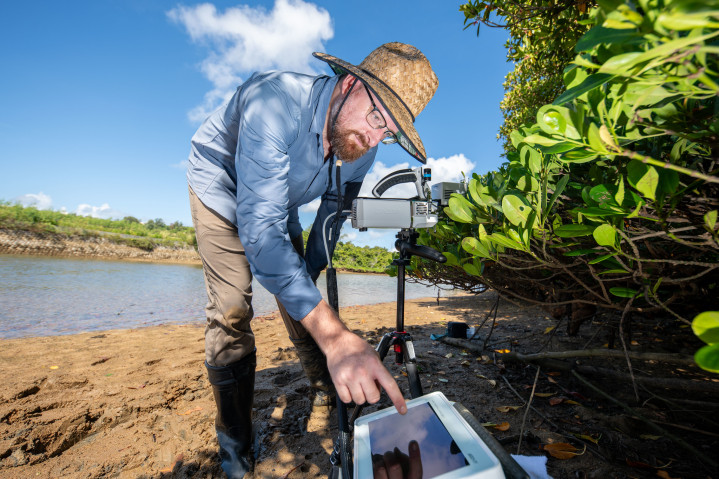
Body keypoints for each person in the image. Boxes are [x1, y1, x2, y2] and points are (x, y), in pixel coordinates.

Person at [186, 42, 438, 478]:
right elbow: (260, 234)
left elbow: (334, 211)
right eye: (377, 119)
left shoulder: (366, 143)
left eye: (390, 133)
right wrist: (337, 336)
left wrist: (310, 275)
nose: (376, 138)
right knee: (231, 310)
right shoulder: (275, 102)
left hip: (277, 201)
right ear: (350, 84)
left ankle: (323, 384)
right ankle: (235, 447)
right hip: (219, 190)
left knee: (301, 286)